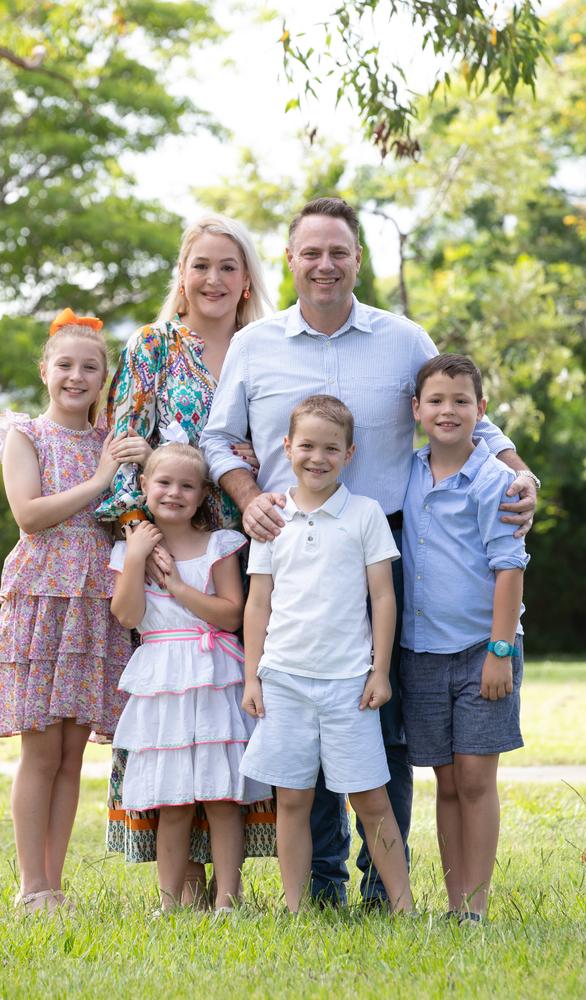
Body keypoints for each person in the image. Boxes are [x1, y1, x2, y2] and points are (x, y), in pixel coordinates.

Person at [201, 196, 540, 906]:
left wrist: (517, 467)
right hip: (289, 549)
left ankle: (388, 891)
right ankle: (320, 885)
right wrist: (247, 491)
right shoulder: (256, 345)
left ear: (358, 259)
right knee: (303, 715)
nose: (326, 264)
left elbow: (462, 408)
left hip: (385, 543)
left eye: (339, 252)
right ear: (291, 260)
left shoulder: (402, 338)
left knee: (381, 722)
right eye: (311, 252)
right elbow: (214, 438)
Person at [97, 215, 275, 900]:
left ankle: (255, 875)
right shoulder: (153, 346)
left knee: (235, 714)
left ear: (247, 277)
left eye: (228, 266)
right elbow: (123, 459)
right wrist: (157, 550)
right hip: (175, 562)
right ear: (183, 273)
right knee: (181, 715)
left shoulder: (266, 345)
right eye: (201, 265)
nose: (214, 280)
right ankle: (185, 880)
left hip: (258, 546)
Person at [0, 308, 133, 915]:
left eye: (89, 368)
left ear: (103, 378)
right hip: (44, 600)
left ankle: (54, 883)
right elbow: (30, 515)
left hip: (92, 604)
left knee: (72, 755)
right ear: (45, 371)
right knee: (40, 752)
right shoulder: (25, 434)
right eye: (65, 365)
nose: (76, 376)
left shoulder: (110, 441)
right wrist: (100, 480)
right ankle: (29, 883)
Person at [240, 396, 413, 913]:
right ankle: (295, 909)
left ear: (350, 453)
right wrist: (253, 677)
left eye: (331, 448)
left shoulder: (364, 515)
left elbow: (383, 597)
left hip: (348, 684)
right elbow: (258, 603)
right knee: (292, 799)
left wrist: (380, 671)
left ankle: (404, 907)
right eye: (307, 446)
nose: (317, 457)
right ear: (286, 447)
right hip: (285, 680)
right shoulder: (272, 517)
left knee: (371, 799)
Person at [109, 438, 271, 912]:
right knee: (172, 800)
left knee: (222, 797)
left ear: (203, 495)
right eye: (162, 483)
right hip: (162, 677)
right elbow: (127, 615)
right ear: (144, 487)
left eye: (186, 486)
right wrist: (137, 555)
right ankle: (169, 902)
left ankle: (228, 899)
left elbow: (230, 614)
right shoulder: (128, 553)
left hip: (215, 674)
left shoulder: (218, 545)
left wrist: (177, 585)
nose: (173, 493)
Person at [400, 354, 528, 922]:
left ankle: (476, 906)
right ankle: (454, 905)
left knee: (476, 779)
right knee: (446, 781)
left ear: (481, 411)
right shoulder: (405, 472)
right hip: (422, 652)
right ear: (416, 411)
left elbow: (510, 567)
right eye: (436, 401)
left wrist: (500, 652)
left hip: (485, 650)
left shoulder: (495, 480)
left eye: (460, 401)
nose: (447, 411)